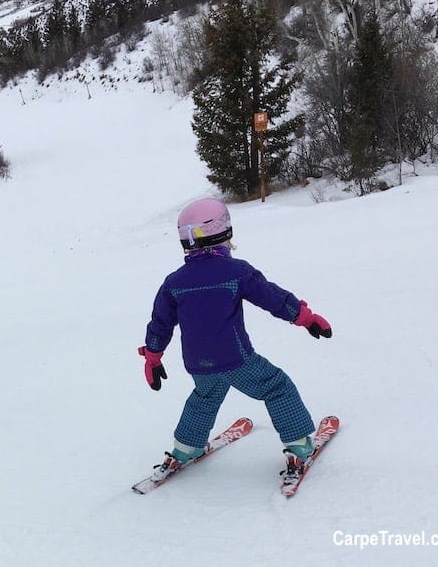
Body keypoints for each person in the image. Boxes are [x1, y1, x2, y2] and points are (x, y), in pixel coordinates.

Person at [138, 197, 332, 482]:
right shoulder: (236, 272)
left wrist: (153, 357)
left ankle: (184, 449)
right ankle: (299, 447)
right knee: (276, 387)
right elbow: (272, 298)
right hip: (236, 358)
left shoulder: (174, 282)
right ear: (224, 232)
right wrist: (305, 317)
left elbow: (160, 323)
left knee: (205, 397)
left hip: (197, 363)